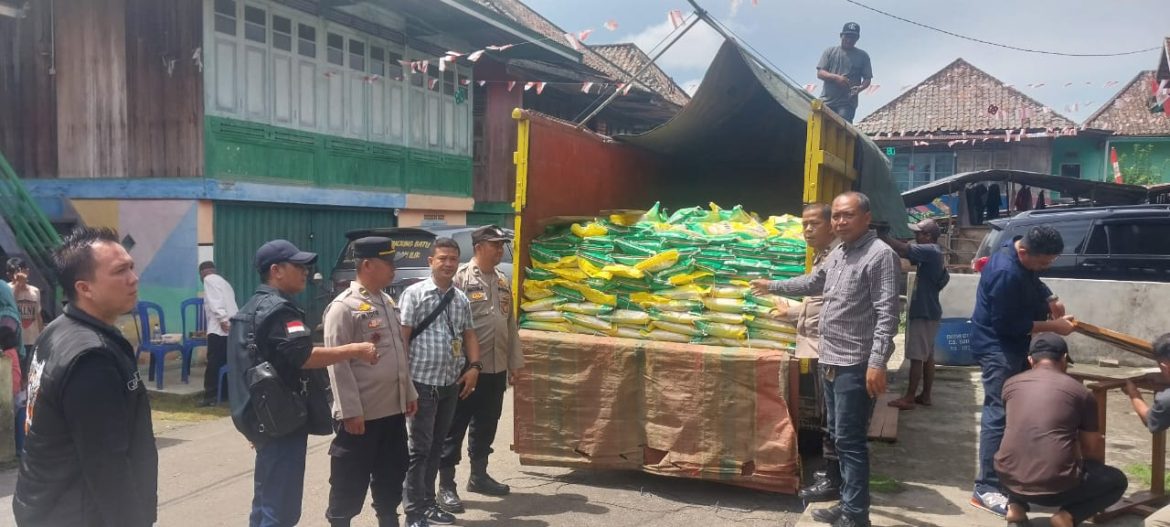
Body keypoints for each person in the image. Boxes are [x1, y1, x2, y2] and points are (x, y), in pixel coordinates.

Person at [750, 192, 900, 527]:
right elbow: (813, 282)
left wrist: (877, 362)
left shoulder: (879, 256)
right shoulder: (839, 253)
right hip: (830, 359)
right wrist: (772, 284)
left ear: (866, 217)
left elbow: (888, 314)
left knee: (850, 441)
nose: (841, 222)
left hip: (854, 364)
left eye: (848, 215)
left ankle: (857, 515)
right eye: (837, 217)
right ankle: (847, 504)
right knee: (835, 433)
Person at [226, 239, 379, 527]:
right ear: (276, 270)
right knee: (280, 510)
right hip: (282, 420)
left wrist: (249, 419)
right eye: (298, 266)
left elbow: (241, 370)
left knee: (265, 501)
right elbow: (304, 357)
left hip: (263, 418)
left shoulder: (249, 309)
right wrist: (356, 349)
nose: (305, 271)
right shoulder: (279, 309)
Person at [14, 227, 157, 526]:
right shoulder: (92, 360)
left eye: (131, 266)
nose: (133, 278)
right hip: (78, 513)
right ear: (85, 288)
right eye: (120, 271)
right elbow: (108, 466)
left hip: (46, 506)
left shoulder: (57, 330)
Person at [969, 225, 1076, 516]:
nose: (1045, 267)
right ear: (1025, 251)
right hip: (997, 347)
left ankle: (1009, 478)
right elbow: (1008, 325)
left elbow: (1033, 278)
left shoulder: (1016, 249)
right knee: (998, 413)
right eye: (1043, 262)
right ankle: (986, 487)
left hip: (1013, 345)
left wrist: (1051, 299)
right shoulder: (1006, 272)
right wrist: (1055, 327)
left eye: (1049, 262)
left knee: (1015, 411)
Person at [323, 237, 418, 527]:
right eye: (388, 263)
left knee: (392, 472)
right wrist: (350, 410)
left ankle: (388, 519)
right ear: (367, 264)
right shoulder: (343, 307)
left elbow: (399, 353)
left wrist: (409, 392)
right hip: (362, 415)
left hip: (391, 410)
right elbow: (336, 363)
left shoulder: (386, 301)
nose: (393, 269)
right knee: (349, 480)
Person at [996, 333, 1128, 527]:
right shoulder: (1081, 393)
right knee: (1117, 481)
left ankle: (1015, 507)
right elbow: (1091, 448)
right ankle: (1067, 516)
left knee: (1016, 451)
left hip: (1007, 478)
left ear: (1030, 359)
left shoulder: (1009, 385)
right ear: (1064, 359)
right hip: (1055, 490)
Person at [438, 226, 525, 513]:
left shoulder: (502, 280)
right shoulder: (461, 278)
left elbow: (509, 324)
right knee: (454, 427)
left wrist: (514, 363)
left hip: (496, 368)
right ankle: (446, 486)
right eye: (495, 245)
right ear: (478, 247)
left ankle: (479, 475)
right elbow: (450, 326)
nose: (500, 250)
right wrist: (456, 366)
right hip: (466, 370)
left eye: (502, 245)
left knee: (487, 423)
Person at [398, 237, 482, 527]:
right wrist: (403, 382)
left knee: (436, 447)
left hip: (449, 384)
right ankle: (413, 512)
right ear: (430, 262)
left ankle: (428, 503)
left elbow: (469, 333)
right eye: (442, 258)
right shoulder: (414, 294)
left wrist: (474, 366)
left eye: (452, 259)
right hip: (420, 384)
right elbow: (402, 337)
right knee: (419, 449)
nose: (448, 263)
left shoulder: (460, 298)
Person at [770, 204, 842, 503]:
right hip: (816, 344)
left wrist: (774, 286)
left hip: (831, 347)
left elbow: (829, 301)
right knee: (828, 413)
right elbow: (816, 302)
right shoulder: (824, 256)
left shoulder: (839, 257)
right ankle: (831, 472)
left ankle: (835, 480)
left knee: (833, 416)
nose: (808, 230)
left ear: (832, 226)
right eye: (804, 225)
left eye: (814, 224)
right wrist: (791, 314)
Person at [878, 219, 949, 410]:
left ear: (928, 236)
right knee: (927, 356)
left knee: (917, 356)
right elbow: (906, 253)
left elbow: (904, 250)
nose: (916, 237)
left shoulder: (931, 250)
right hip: (929, 311)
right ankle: (925, 396)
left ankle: (909, 398)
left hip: (924, 313)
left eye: (919, 233)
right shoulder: (931, 254)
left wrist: (882, 236)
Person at [1123, 333, 1170, 527]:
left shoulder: (1167, 399)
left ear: (1164, 366)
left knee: (1152, 524)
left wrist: (1134, 394)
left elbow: (1151, 421)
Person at [199, 260, 238, 406]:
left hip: (219, 329)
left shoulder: (208, 280)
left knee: (213, 364)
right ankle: (225, 394)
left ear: (202, 273)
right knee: (225, 363)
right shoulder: (224, 282)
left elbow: (216, 302)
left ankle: (210, 396)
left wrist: (222, 319)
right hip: (230, 329)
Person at [816, 22, 872, 123]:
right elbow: (820, 73)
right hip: (826, 100)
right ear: (841, 36)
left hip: (847, 103)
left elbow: (867, 79)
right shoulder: (830, 51)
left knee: (841, 128)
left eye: (853, 37)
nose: (849, 40)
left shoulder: (863, 56)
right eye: (847, 36)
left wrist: (859, 88)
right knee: (819, 125)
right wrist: (836, 78)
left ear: (857, 38)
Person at [8, 258, 42, 365]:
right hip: (15, 341)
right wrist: (18, 286)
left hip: (32, 339)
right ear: (9, 275)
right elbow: (10, 304)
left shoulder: (35, 291)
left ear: (27, 271)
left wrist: (41, 336)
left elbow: (38, 315)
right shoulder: (7, 289)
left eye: (22, 271)